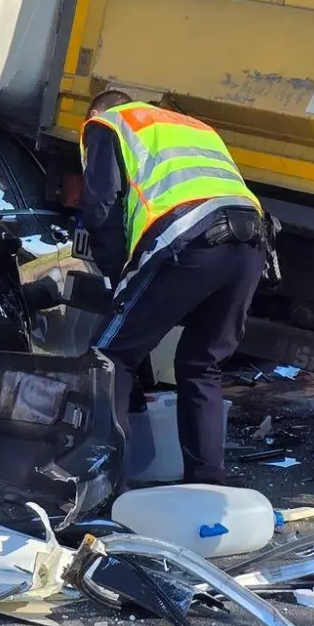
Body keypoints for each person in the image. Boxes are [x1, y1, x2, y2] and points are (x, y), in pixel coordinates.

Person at [79, 90, 269, 487]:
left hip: (188, 237)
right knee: (202, 364)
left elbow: (100, 209)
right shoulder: (193, 126)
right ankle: (207, 483)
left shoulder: (109, 123)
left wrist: (119, 279)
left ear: (97, 112)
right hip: (252, 243)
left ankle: (107, 486)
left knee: (109, 356)